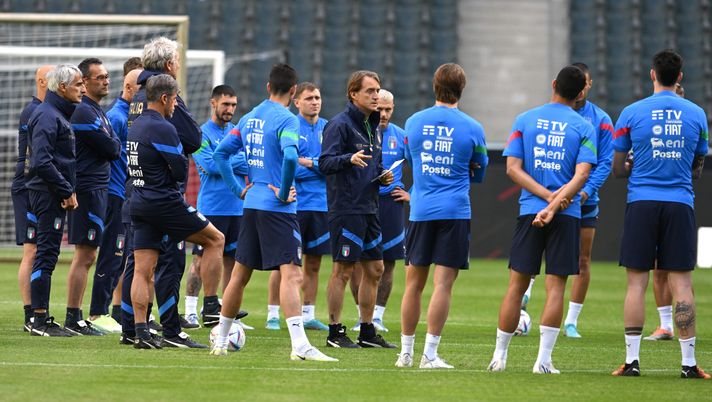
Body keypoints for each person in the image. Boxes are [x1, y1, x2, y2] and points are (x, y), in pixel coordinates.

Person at [210, 63, 336, 362]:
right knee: (292, 273)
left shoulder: (251, 116)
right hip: (277, 209)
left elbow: (220, 154)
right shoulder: (287, 120)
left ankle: (220, 340)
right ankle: (300, 346)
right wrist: (282, 190)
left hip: (251, 204)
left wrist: (237, 189)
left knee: (240, 275)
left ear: (268, 87)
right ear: (294, 92)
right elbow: (291, 156)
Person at [487, 65, 596, 374]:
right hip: (567, 213)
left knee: (516, 287)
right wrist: (557, 200)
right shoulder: (583, 126)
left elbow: (512, 168)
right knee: (556, 287)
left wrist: (544, 199)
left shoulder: (525, 119)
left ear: (553, 85)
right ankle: (543, 362)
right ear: (580, 94)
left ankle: (499, 357)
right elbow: (583, 174)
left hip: (528, 211)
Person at [611, 50, 709, 378]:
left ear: (652, 74)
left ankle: (632, 362)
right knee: (682, 283)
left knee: (636, 283)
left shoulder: (631, 112)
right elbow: (698, 166)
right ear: (680, 77)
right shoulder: (696, 114)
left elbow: (618, 169)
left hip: (642, 202)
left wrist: (634, 165)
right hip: (680, 203)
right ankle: (688, 364)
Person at [396, 63, 488, 369]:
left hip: (420, 209)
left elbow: (409, 159)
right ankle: (429, 355)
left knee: (413, 284)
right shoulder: (473, 127)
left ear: (434, 86)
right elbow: (481, 171)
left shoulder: (413, 121)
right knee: (443, 285)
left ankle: (405, 353)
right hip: (455, 210)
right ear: (462, 89)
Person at [121, 37, 207, 349]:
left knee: (139, 264)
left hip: (137, 189)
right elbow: (193, 140)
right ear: (170, 65)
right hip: (162, 193)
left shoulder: (136, 96)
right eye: (178, 61)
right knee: (171, 260)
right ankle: (174, 329)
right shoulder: (165, 97)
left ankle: (133, 328)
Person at [127, 73, 225, 349]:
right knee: (216, 239)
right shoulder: (163, 128)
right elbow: (181, 169)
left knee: (142, 271)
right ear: (165, 98)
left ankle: (141, 332)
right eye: (175, 101)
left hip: (139, 200)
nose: (176, 107)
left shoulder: (136, 125)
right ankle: (210, 304)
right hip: (165, 203)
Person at [319, 70, 396, 349]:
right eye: (370, 91)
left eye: (378, 90)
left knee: (375, 268)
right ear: (354, 94)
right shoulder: (338, 125)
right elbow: (324, 162)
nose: (376, 96)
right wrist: (348, 158)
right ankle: (335, 331)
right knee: (343, 269)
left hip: (369, 206)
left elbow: (373, 164)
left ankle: (367, 330)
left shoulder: (373, 125)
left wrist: (382, 174)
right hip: (346, 207)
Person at [182, 84, 249, 330]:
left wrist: (224, 160)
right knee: (200, 260)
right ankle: (190, 310)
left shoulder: (237, 132)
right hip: (212, 207)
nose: (230, 109)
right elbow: (209, 166)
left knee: (232, 260)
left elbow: (248, 164)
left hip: (237, 206)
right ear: (213, 103)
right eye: (225, 104)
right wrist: (233, 161)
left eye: (233, 104)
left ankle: (225, 310)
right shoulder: (200, 134)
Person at [265, 82, 330, 331]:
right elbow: (285, 165)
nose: (315, 101)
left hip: (321, 205)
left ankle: (308, 314)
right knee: (284, 262)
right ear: (297, 102)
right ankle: (273, 314)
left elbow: (330, 166)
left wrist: (309, 163)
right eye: (310, 98)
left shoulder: (327, 128)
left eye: (318, 97)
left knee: (314, 263)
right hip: (293, 204)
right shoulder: (289, 125)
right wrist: (316, 165)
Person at [64, 58, 122, 336]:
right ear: (84, 82)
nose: (106, 81)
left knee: (89, 254)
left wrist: (112, 142)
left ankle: (79, 316)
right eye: (99, 77)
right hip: (87, 190)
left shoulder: (98, 112)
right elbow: (112, 148)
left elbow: (113, 145)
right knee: (85, 255)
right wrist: (112, 143)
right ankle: (73, 316)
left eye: (107, 76)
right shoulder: (84, 113)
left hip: (98, 189)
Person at [26, 64, 84, 336]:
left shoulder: (57, 113)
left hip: (51, 192)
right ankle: (39, 319)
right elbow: (42, 161)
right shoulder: (48, 115)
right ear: (62, 87)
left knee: (47, 252)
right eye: (78, 84)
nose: (83, 89)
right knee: (46, 253)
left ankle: (40, 317)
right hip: (48, 194)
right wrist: (65, 190)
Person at [557, 62, 614, 338]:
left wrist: (584, 192)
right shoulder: (555, 117)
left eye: (586, 84)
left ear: (589, 86)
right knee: (544, 253)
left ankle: (571, 321)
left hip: (584, 200)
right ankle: (524, 300)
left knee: (582, 259)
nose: (581, 90)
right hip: (553, 197)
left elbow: (605, 163)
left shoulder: (602, 120)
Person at [87, 67, 142, 333]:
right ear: (130, 89)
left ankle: (111, 311)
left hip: (124, 194)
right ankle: (98, 313)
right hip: (114, 193)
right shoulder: (117, 117)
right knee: (111, 253)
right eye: (141, 88)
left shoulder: (129, 116)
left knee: (119, 256)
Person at [349, 88, 408, 333]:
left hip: (390, 205)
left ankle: (379, 316)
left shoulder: (402, 136)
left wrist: (411, 194)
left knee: (389, 263)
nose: (383, 114)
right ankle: (361, 315)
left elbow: (423, 167)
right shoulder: (357, 132)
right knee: (356, 262)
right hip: (362, 203)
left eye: (388, 109)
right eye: (380, 108)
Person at [642, 82, 686, 342]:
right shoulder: (651, 119)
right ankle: (666, 326)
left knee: (674, 272)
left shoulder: (686, 121)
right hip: (673, 202)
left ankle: (674, 331)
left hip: (657, 201)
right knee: (658, 268)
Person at [13, 64, 53, 332]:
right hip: (28, 186)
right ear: (42, 82)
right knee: (32, 250)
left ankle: (37, 312)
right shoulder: (34, 111)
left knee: (38, 249)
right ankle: (30, 313)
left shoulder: (45, 111)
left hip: (36, 185)